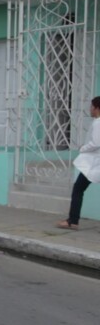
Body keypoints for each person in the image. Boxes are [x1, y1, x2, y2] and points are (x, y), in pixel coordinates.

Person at [58, 96, 100, 230]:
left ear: (97, 108)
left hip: (96, 163)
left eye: (91, 106)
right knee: (78, 188)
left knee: (78, 188)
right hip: (96, 163)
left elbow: (96, 143)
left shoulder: (98, 122)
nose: (90, 109)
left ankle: (73, 220)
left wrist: (83, 148)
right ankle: (73, 220)